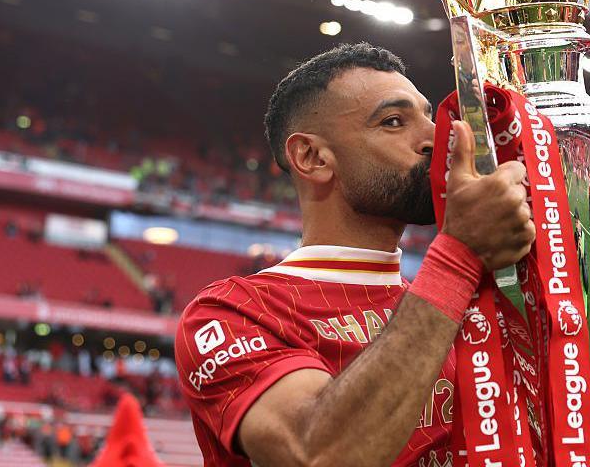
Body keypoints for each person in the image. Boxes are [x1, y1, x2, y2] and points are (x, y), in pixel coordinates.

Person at [174, 43, 534, 466]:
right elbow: (319, 454)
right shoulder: (230, 314)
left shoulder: (453, 303)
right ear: (312, 157)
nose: (435, 138)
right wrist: (459, 253)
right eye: (394, 121)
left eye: (429, 116)